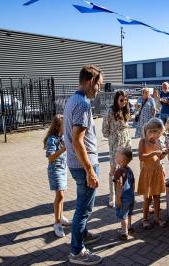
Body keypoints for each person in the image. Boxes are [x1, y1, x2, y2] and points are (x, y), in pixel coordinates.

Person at [64, 65, 103, 265]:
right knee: (83, 209)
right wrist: (89, 170)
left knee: (83, 206)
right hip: (83, 165)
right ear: (90, 81)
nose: (99, 89)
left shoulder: (72, 100)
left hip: (77, 163)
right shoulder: (83, 104)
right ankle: (77, 251)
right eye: (99, 84)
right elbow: (77, 140)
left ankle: (84, 234)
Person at [102, 90, 131, 207]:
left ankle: (122, 192)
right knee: (114, 169)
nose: (124, 102)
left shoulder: (126, 110)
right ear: (116, 100)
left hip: (126, 141)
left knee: (123, 168)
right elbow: (105, 130)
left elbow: (126, 127)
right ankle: (112, 195)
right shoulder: (110, 111)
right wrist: (113, 136)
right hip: (115, 143)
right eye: (121, 100)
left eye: (125, 100)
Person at [43, 114, 71, 238]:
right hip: (55, 170)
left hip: (63, 169)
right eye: (64, 124)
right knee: (59, 195)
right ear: (58, 126)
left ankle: (61, 216)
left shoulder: (63, 136)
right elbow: (50, 156)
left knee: (62, 195)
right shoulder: (52, 139)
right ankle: (57, 223)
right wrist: (63, 149)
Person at [137, 118, 167, 229]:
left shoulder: (158, 141)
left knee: (157, 196)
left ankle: (156, 218)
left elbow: (160, 156)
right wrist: (154, 152)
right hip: (147, 172)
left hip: (157, 170)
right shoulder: (143, 141)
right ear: (152, 131)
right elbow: (141, 157)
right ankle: (144, 219)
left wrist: (164, 154)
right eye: (159, 134)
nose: (159, 136)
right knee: (147, 197)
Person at [113, 147, 135, 240]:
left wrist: (118, 198)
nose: (115, 156)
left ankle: (124, 232)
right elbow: (133, 182)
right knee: (129, 213)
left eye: (116, 155)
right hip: (130, 196)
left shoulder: (118, 171)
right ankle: (129, 227)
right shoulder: (129, 169)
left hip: (123, 197)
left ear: (121, 159)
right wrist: (132, 194)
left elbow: (119, 185)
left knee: (123, 216)